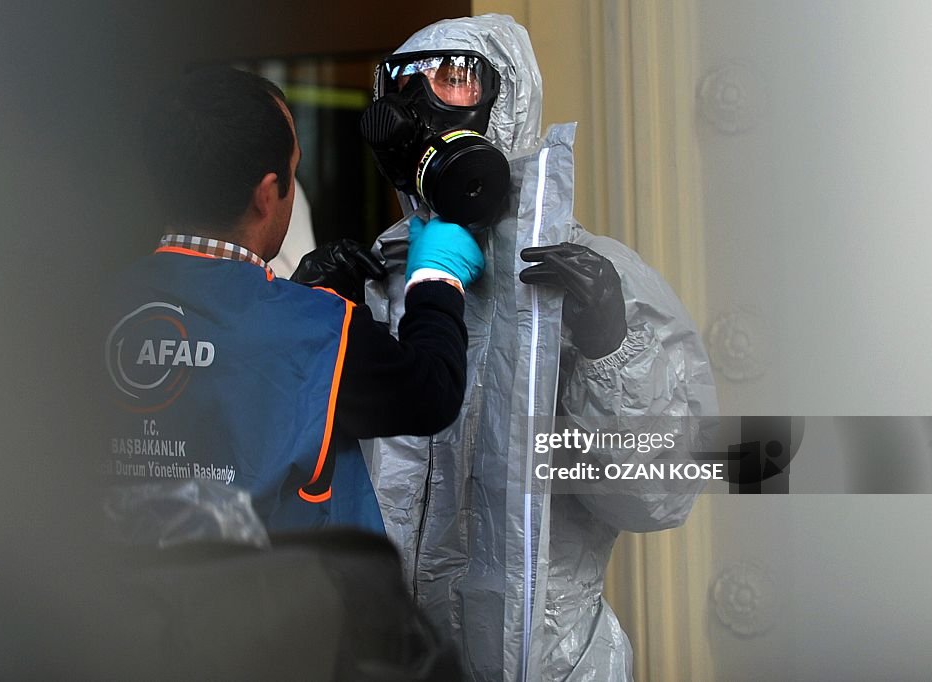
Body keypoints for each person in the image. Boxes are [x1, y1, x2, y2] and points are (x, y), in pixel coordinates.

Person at [297, 14, 718, 681]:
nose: (422, 107)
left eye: (455, 79)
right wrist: (309, 328)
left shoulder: (595, 277)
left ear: (509, 98)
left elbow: (660, 493)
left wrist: (611, 350)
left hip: (552, 664)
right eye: (404, 86)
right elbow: (309, 485)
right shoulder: (379, 277)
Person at [101, 66, 485, 534]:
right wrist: (435, 279)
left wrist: (297, 296)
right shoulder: (317, 332)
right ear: (268, 195)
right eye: (293, 170)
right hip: (270, 601)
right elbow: (431, 392)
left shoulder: (80, 312)